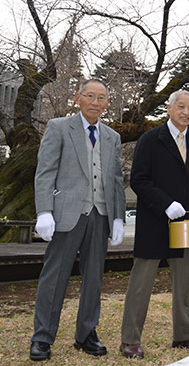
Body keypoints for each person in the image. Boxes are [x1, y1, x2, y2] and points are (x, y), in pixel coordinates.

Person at [30, 79, 126, 361]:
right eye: (90, 96)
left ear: (107, 103)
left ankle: (87, 333)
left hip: (100, 215)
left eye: (101, 98)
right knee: (54, 276)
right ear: (78, 98)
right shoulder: (58, 127)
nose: (95, 102)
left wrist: (118, 217)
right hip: (66, 215)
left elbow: (116, 180)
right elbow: (45, 172)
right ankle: (43, 337)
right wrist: (44, 210)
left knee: (94, 277)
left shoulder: (112, 137)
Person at [119, 90, 189, 359]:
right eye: (181, 107)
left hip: (186, 225)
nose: (186, 112)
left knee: (184, 282)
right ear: (169, 109)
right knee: (141, 283)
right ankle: (130, 340)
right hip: (155, 221)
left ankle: (184, 335)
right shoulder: (151, 140)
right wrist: (165, 204)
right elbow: (139, 180)